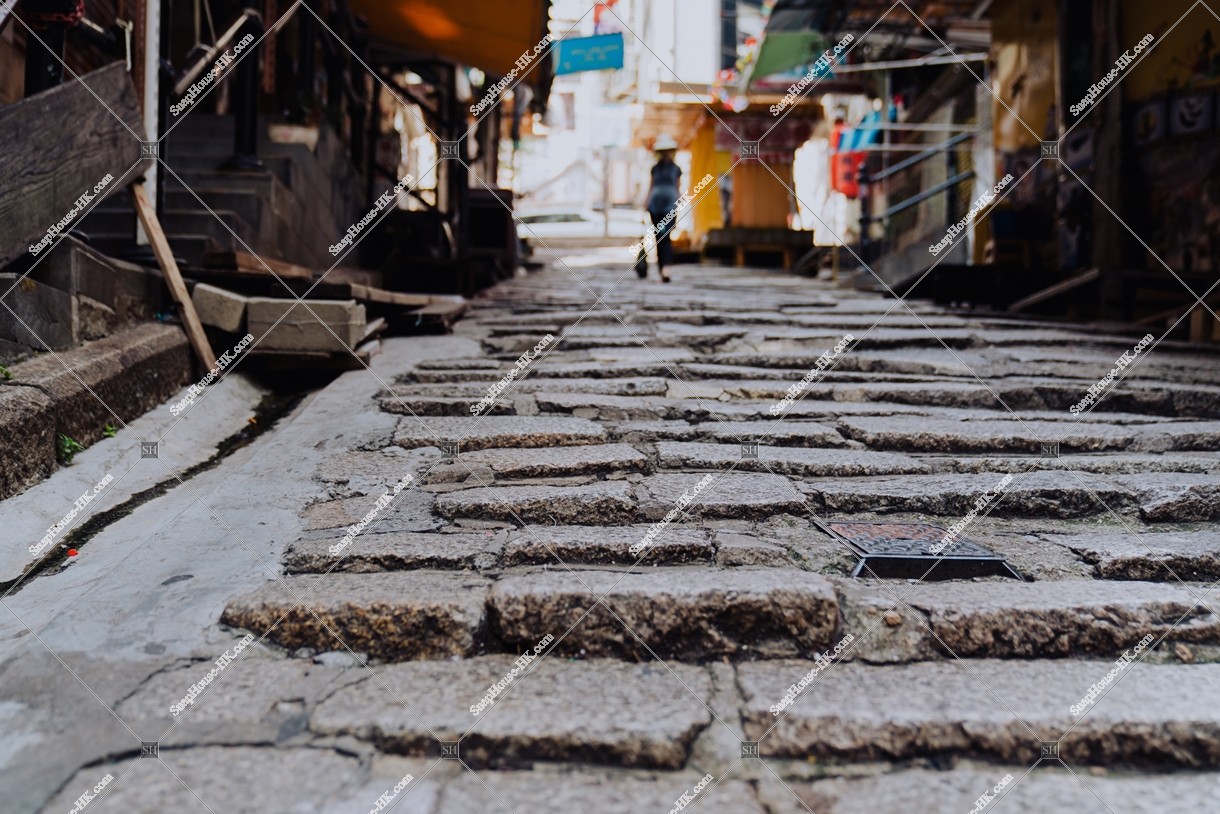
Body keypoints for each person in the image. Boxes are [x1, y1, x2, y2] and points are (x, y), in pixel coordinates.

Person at [642, 134, 681, 282]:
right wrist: (646, 203)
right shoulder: (655, 169)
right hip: (657, 206)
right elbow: (651, 187)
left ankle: (664, 268)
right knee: (660, 238)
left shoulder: (676, 169)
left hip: (667, 206)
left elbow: (677, 188)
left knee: (664, 238)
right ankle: (663, 268)